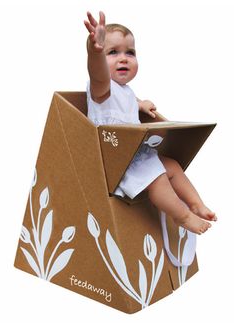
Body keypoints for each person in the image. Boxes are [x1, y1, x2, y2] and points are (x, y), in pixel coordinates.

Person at [84, 11, 217, 235]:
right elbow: (98, 75)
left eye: (130, 52)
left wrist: (139, 104)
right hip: (115, 159)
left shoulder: (125, 91)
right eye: (113, 52)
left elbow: (123, 103)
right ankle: (183, 217)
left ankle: (195, 203)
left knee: (172, 166)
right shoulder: (101, 88)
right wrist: (94, 52)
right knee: (158, 180)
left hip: (135, 153)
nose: (124, 58)